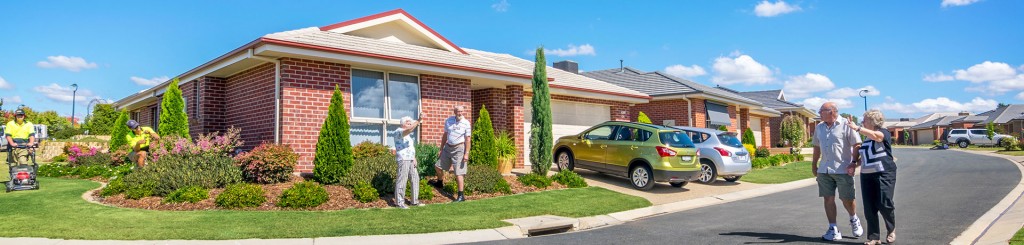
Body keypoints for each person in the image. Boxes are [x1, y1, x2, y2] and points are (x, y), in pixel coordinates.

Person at [812, 102, 864, 241]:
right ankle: (833, 228)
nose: (819, 113)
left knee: (846, 198)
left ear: (832, 111)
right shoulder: (819, 127)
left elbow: (857, 144)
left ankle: (854, 219)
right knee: (828, 198)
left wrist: (853, 163)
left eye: (821, 110)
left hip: (843, 169)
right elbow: (816, 147)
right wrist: (814, 165)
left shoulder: (847, 124)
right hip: (824, 169)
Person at [848, 110, 897, 245]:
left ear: (872, 121)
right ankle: (873, 237)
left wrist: (857, 128)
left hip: (884, 173)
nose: (862, 122)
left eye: (864, 120)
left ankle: (891, 229)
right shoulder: (866, 139)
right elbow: (865, 158)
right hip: (867, 175)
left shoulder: (883, 132)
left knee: (884, 202)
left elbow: (877, 137)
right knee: (869, 207)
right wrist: (853, 165)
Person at [433, 105, 471, 202]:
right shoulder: (449, 121)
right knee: (438, 167)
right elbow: (445, 135)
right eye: (458, 111)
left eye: (462, 111)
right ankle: (440, 182)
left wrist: (466, 153)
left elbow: (468, 139)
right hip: (447, 147)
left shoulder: (466, 123)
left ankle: (461, 195)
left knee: (458, 172)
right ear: (454, 111)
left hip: (459, 149)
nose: (460, 113)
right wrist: (441, 149)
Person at [392, 115, 425, 209]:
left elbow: (410, 148)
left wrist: (413, 158)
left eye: (411, 122)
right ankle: (399, 203)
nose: (410, 123)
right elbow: (410, 129)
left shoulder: (408, 136)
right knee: (402, 180)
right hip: (403, 159)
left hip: (410, 159)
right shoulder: (398, 131)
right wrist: (418, 120)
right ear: (402, 124)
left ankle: (414, 201)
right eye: (407, 122)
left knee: (415, 178)